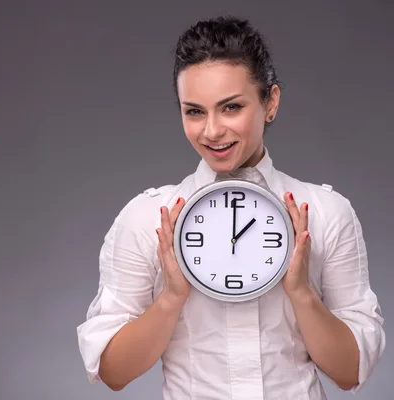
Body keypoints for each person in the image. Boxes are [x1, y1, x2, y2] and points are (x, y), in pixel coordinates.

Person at [76, 15, 386, 400]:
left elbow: (349, 372)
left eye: (231, 107)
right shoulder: (148, 219)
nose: (211, 130)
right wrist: (172, 296)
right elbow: (113, 372)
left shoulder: (325, 212)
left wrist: (302, 292)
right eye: (194, 111)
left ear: (269, 102)